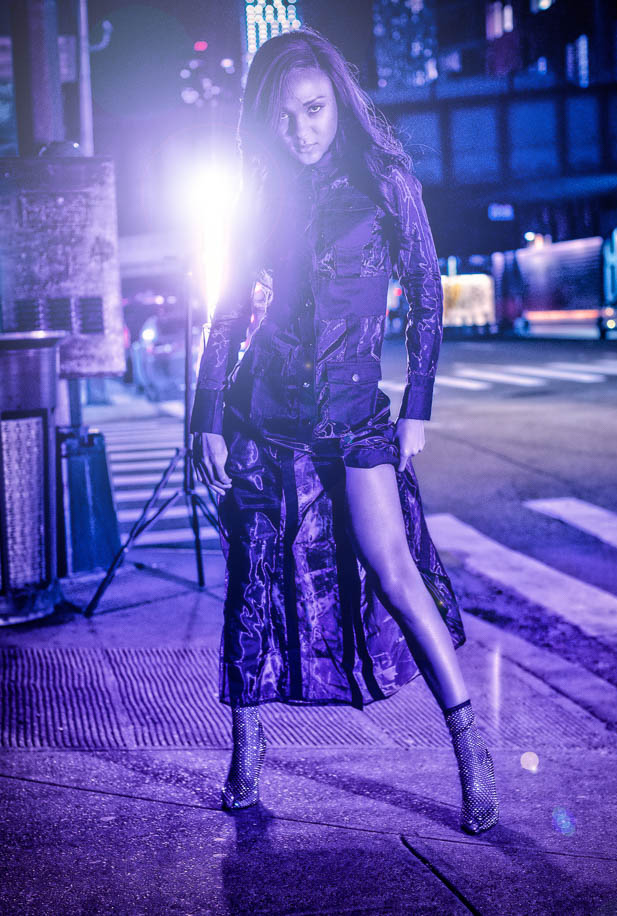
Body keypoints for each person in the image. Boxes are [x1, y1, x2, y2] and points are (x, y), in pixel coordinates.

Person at [190, 26, 498, 835]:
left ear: (339, 103)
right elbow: (230, 312)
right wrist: (206, 417)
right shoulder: (263, 190)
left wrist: (418, 407)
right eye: (286, 115)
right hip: (263, 413)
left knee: (395, 569)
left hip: (357, 415)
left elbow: (426, 296)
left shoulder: (385, 179)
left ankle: (470, 747)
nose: (301, 130)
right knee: (252, 580)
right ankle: (246, 751)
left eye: (315, 110)